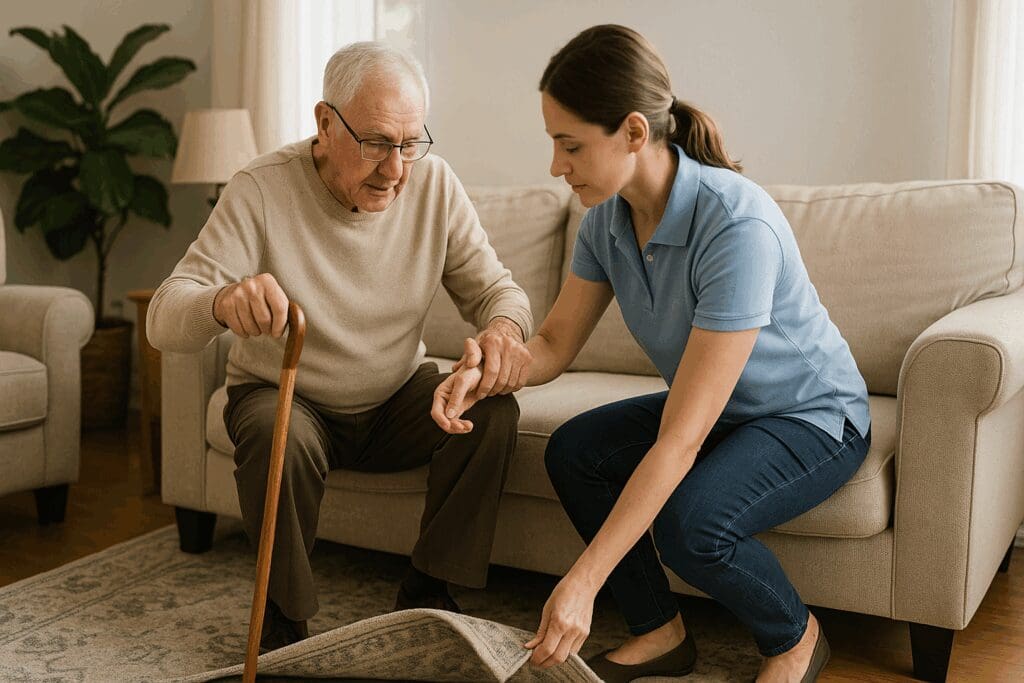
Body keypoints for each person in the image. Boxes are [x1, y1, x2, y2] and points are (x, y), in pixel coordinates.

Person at [432, 24, 871, 683]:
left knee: (691, 526)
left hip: (811, 418)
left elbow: (680, 440)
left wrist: (582, 583)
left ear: (635, 133)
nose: (556, 165)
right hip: (725, 412)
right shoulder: (605, 221)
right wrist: (488, 372)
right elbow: (551, 344)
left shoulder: (735, 225)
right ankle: (660, 631)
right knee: (574, 450)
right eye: (555, 142)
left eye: (570, 144)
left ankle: (794, 635)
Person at [148, 41, 533, 653]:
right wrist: (221, 303)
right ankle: (286, 621)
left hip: (393, 398)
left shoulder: (432, 184)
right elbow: (165, 318)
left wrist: (501, 334)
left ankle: (429, 591)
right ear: (325, 123)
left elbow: (499, 292)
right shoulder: (261, 188)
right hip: (288, 396)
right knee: (280, 430)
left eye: (410, 144)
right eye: (377, 142)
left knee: (492, 412)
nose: (396, 169)